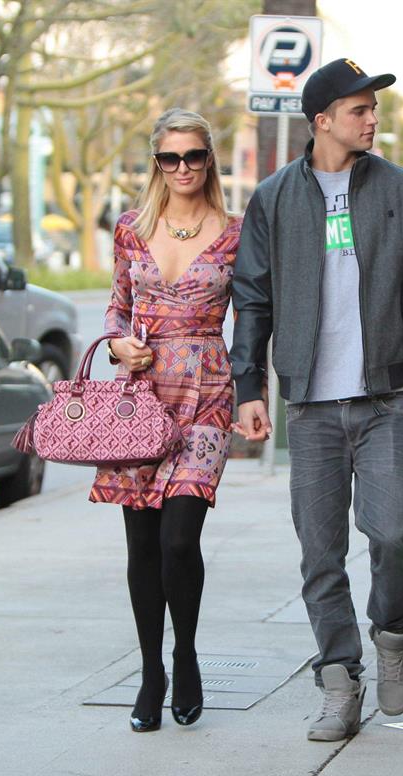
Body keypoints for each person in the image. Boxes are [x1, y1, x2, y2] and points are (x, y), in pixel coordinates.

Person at [230, 59, 403, 742]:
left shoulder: (400, 188)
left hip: (388, 394)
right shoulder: (274, 198)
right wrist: (247, 386)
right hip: (308, 403)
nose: (372, 120)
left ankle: (393, 633)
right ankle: (340, 679)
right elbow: (252, 297)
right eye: (359, 109)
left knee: (391, 531)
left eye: (374, 109)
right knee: (319, 552)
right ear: (322, 120)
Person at [90, 108, 241, 732]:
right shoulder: (131, 229)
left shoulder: (236, 231)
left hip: (205, 390)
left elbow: (255, 310)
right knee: (142, 544)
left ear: (210, 159)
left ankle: (185, 653)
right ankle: (152, 670)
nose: (183, 168)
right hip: (140, 395)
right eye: (170, 158)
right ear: (157, 165)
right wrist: (119, 343)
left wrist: (258, 389)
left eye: (194, 156)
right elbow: (117, 309)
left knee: (181, 538)